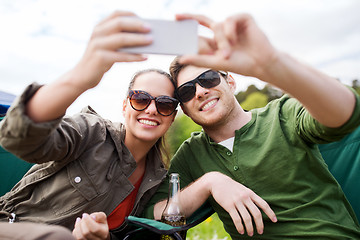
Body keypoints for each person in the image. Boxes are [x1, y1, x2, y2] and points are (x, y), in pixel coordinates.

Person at [143, 13, 360, 239]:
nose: (200, 92)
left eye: (208, 79)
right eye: (187, 91)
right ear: (185, 109)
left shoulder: (282, 114)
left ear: (230, 82)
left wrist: (272, 63)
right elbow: (152, 214)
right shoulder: (191, 154)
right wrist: (210, 182)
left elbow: (346, 115)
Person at [0, 11, 179, 240]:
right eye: (141, 99)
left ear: (172, 117)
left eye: (164, 104)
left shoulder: (156, 179)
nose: (152, 109)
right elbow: (19, 139)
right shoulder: (91, 131)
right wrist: (81, 76)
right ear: (125, 106)